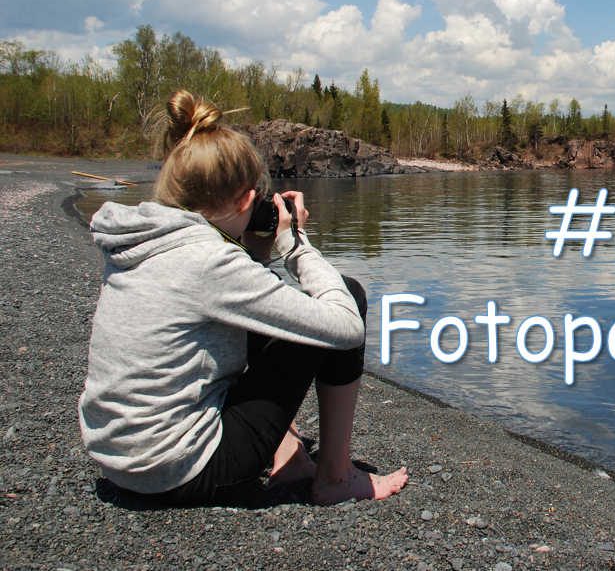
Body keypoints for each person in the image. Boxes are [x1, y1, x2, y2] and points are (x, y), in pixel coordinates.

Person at [78, 89, 408, 506]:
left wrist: (254, 253)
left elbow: (233, 304)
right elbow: (345, 327)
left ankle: (290, 455)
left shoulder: (143, 240)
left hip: (119, 460)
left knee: (269, 318)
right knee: (350, 295)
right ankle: (336, 477)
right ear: (248, 199)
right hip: (177, 471)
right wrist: (296, 245)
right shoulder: (209, 261)